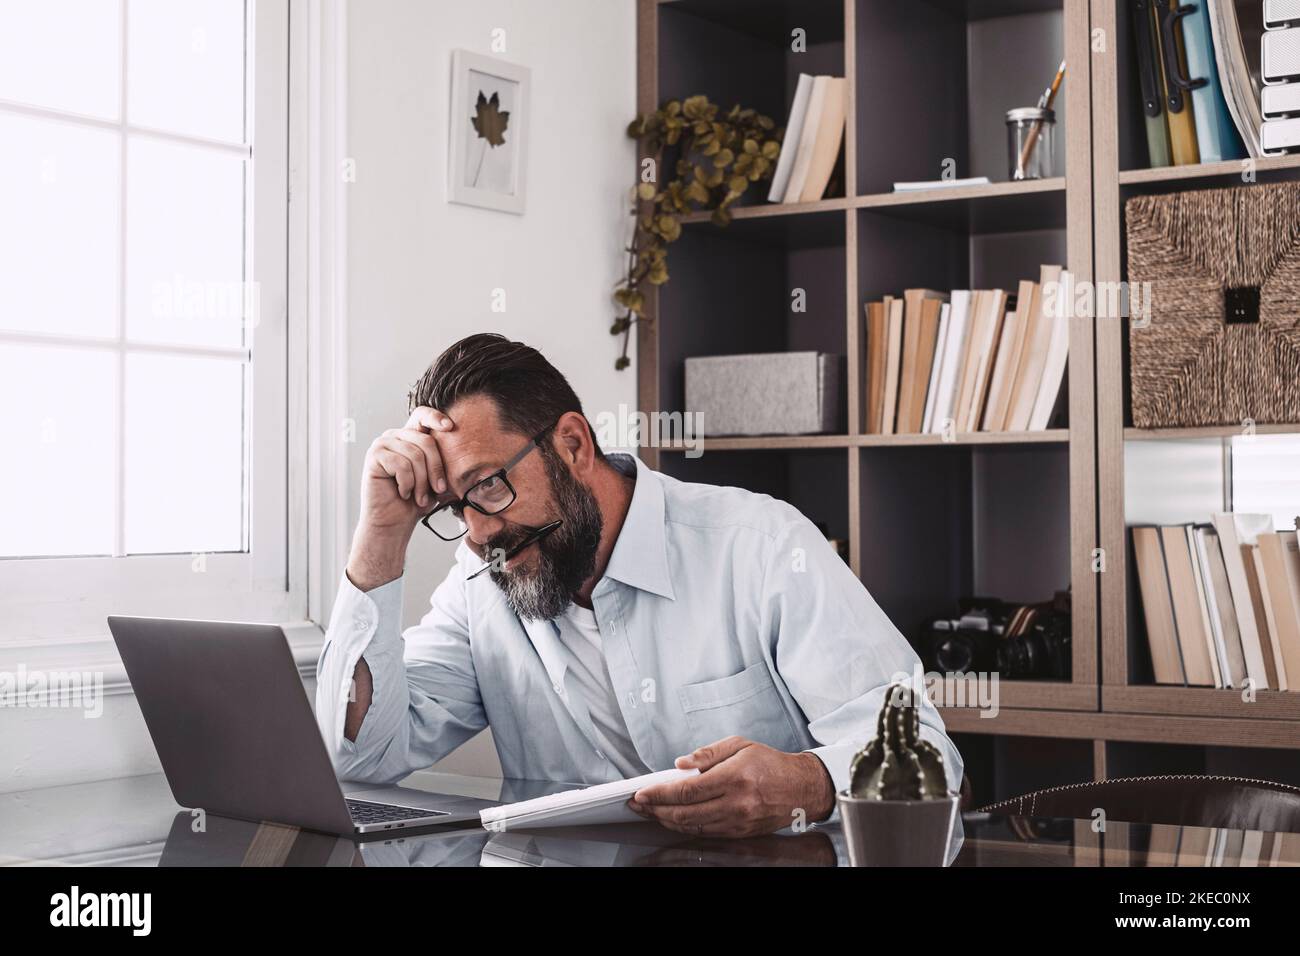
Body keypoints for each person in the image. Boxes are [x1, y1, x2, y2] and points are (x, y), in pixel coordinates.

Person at [315, 332, 964, 839]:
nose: (480, 533)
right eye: (459, 507)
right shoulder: (484, 581)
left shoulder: (760, 547)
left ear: (571, 443)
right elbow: (362, 760)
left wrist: (812, 781)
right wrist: (381, 535)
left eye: (489, 486)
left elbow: (930, 757)